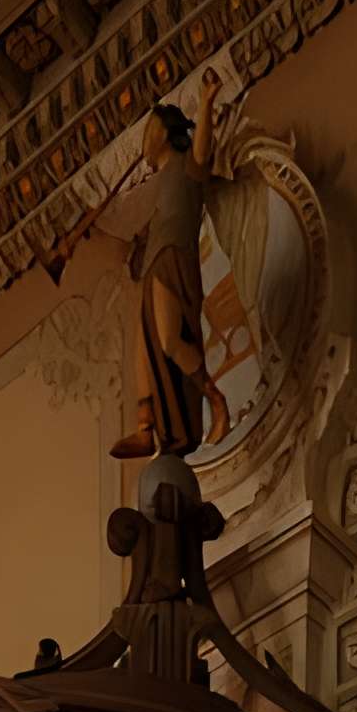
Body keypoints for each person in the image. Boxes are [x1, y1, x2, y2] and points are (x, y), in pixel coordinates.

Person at [113, 73, 230, 460]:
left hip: (174, 262)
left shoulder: (185, 168)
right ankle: (146, 429)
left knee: (168, 339)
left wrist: (207, 100)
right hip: (154, 266)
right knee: (143, 350)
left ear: (164, 133)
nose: (144, 141)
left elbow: (202, 152)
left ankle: (214, 399)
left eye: (149, 130)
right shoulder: (160, 181)